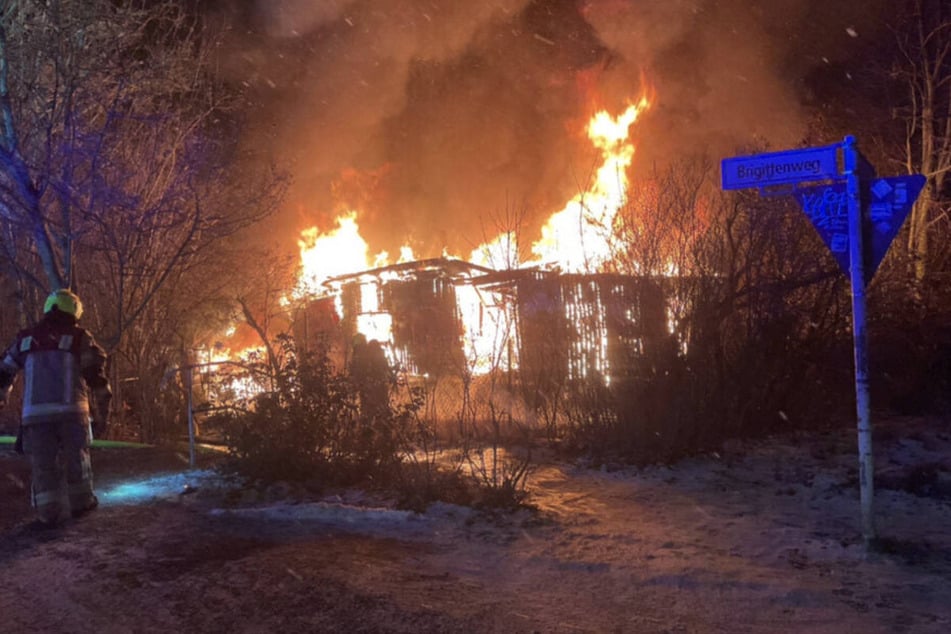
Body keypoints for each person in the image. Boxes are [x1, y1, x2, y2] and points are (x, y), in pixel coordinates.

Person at [0, 289, 112, 526]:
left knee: (43, 466)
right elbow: (96, 376)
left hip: (35, 417)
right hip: (72, 414)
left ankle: (48, 514)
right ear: (75, 311)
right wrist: (103, 411)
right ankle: (81, 504)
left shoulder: (26, 339)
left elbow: (4, 371)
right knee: (77, 460)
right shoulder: (79, 338)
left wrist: (2, 397)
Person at [349, 333, 392, 420]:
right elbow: (385, 367)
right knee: (381, 408)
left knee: (368, 410)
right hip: (379, 385)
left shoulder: (360, 356)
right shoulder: (373, 352)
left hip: (369, 387)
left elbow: (356, 373)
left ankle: (370, 423)